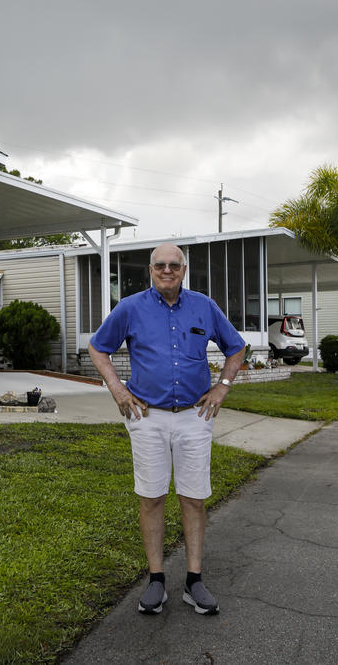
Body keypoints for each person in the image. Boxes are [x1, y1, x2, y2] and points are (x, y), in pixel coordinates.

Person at [88, 242, 245, 616]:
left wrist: (222, 387)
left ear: (184, 270)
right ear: (151, 269)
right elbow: (98, 348)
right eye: (160, 265)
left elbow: (235, 349)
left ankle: (194, 581)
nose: (167, 270)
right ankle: (156, 580)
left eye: (174, 265)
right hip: (147, 418)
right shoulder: (129, 308)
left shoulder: (204, 306)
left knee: (193, 498)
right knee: (152, 497)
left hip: (195, 417)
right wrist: (117, 387)